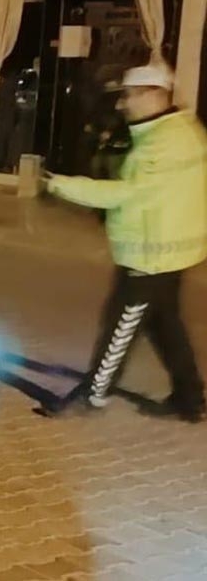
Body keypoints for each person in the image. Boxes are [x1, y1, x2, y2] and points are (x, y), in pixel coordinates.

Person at [40, 63, 207, 423]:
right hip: (171, 249)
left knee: (121, 324)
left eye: (128, 96)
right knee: (165, 325)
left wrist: (64, 185)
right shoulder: (183, 129)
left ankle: (93, 396)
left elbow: (128, 194)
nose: (122, 104)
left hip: (151, 252)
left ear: (152, 94)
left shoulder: (161, 144)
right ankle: (190, 398)